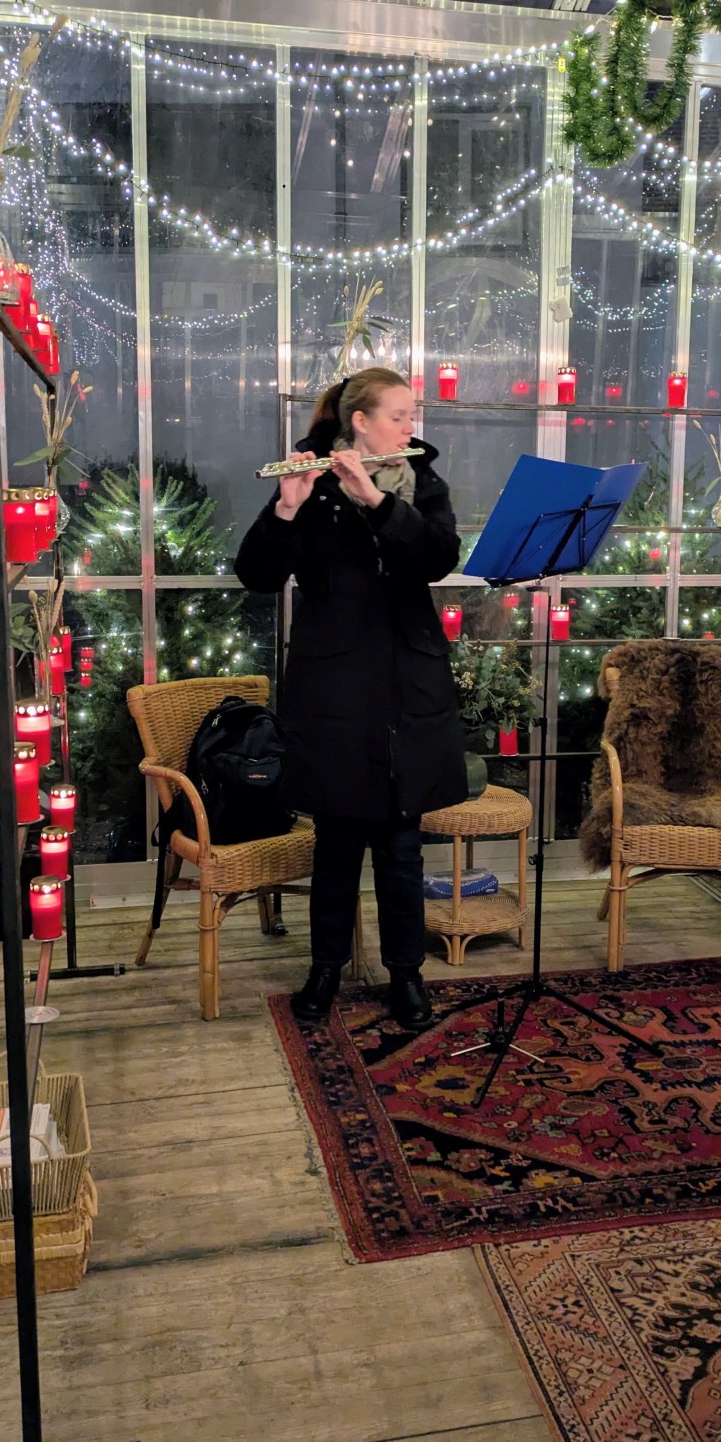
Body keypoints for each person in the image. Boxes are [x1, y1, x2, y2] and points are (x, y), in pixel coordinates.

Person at [235, 368, 467, 1028]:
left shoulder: (421, 479)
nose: (410, 426)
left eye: (412, 414)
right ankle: (325, 969)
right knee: (336, 843)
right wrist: (286, 508)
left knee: (400, 846)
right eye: (398, 415)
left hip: (406, 683)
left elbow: (439, 557)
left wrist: (377, 500)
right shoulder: (311, 480)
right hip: (334, 688)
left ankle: (406, 975)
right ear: (360, 421)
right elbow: (257, 574)